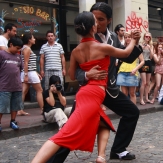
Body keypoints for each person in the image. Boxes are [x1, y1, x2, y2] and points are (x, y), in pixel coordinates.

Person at [32, 11, 138, 163]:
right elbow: (126, 52)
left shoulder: (76, 51)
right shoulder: (102, 47)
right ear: (93, 28)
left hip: (85, 93)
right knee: (65, 134)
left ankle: (103, 155)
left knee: (104, 123)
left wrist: (87, 74)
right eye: (96, 21)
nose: (98, 24)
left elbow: (72, 76)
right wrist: (133, 40)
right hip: (94, 94)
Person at [0, 37, 23, 131]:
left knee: (15, 105)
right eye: (17, 48)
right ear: (11, 45)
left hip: (17, 85)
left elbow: (20, 68)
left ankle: (13, 120)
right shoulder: (2, 54)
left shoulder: (18, 56)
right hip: (4, 85)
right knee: (2, 105)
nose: (18, 50)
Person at [18, 34, 43, 116]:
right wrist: (26, 75)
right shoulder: (27, 48)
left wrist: (34, 72)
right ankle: (42, 109)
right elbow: (26, 62)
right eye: (33, 38)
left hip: (28, 72)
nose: (34, 39)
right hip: (29, 73)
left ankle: (20, 109)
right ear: (29, 40)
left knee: (23, 91)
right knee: (39, 90)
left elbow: (27, 63)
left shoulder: (24, 48)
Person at [116, 31, 145, 104]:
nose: (127, 39)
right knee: (124, 94)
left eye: (129, 37)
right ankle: (126, 111)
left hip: (132, 72)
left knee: (132, 93)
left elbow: (142, 61)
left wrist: (135, 69)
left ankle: (133, 111)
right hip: (122, 71)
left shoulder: (135, 49)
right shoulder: (123, 48)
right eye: (125, 37)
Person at [139, 32, 154, 105]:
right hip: (143, 62)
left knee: (147, 83)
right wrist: (143, 47)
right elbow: (139, 53)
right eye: (146, 36)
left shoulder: (151, 45)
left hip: (148, 62)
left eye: (149, 37)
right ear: (144, 37)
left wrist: (150, 48)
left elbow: (151, 57)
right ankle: (141, 99)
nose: (147, 38)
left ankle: (147, 98)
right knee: (144, 82)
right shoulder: (141, 44)